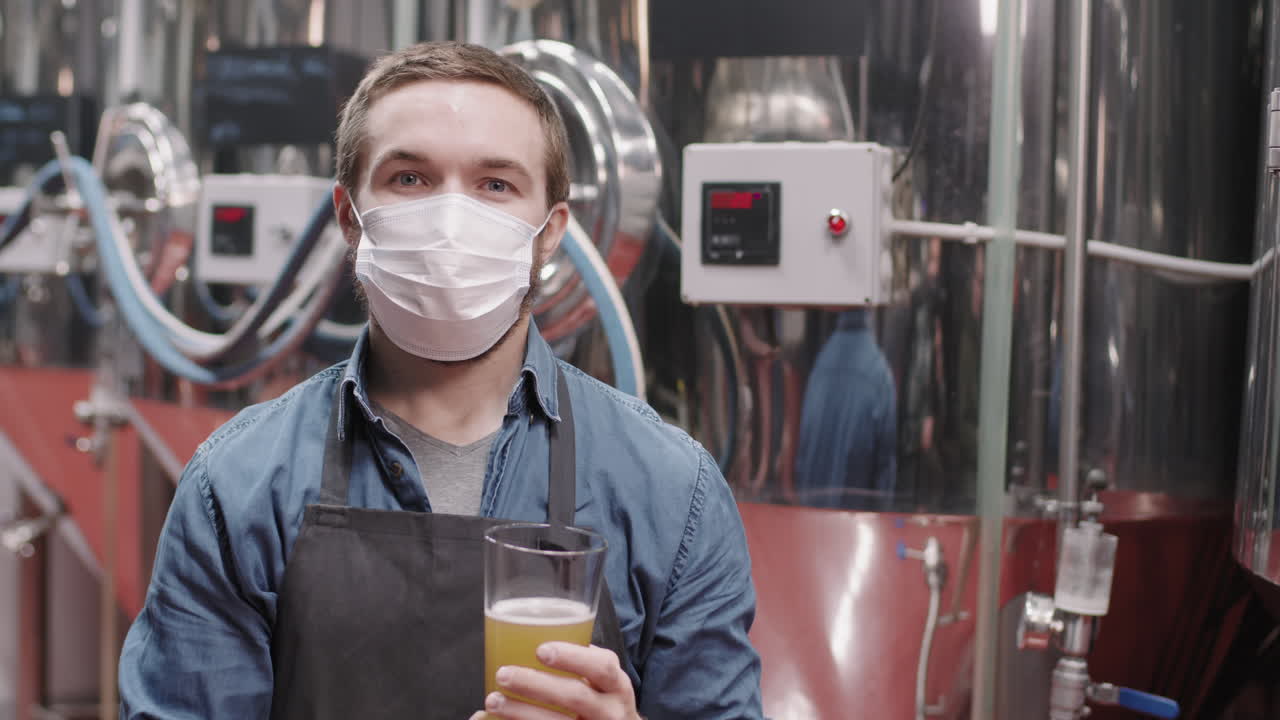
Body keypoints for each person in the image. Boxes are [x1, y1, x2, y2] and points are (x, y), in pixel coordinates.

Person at [118, 41, 762, 720]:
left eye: (495, 185)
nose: (452, 222)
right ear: (348, 217)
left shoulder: (668, 490)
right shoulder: (239, 484)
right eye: (410, 179)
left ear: (550, 234)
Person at [794, 308, 897, 510]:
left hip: (814, 508)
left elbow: (804, 443)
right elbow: (885, 457)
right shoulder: (878, 369)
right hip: (856, 511)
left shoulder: (821, 364)